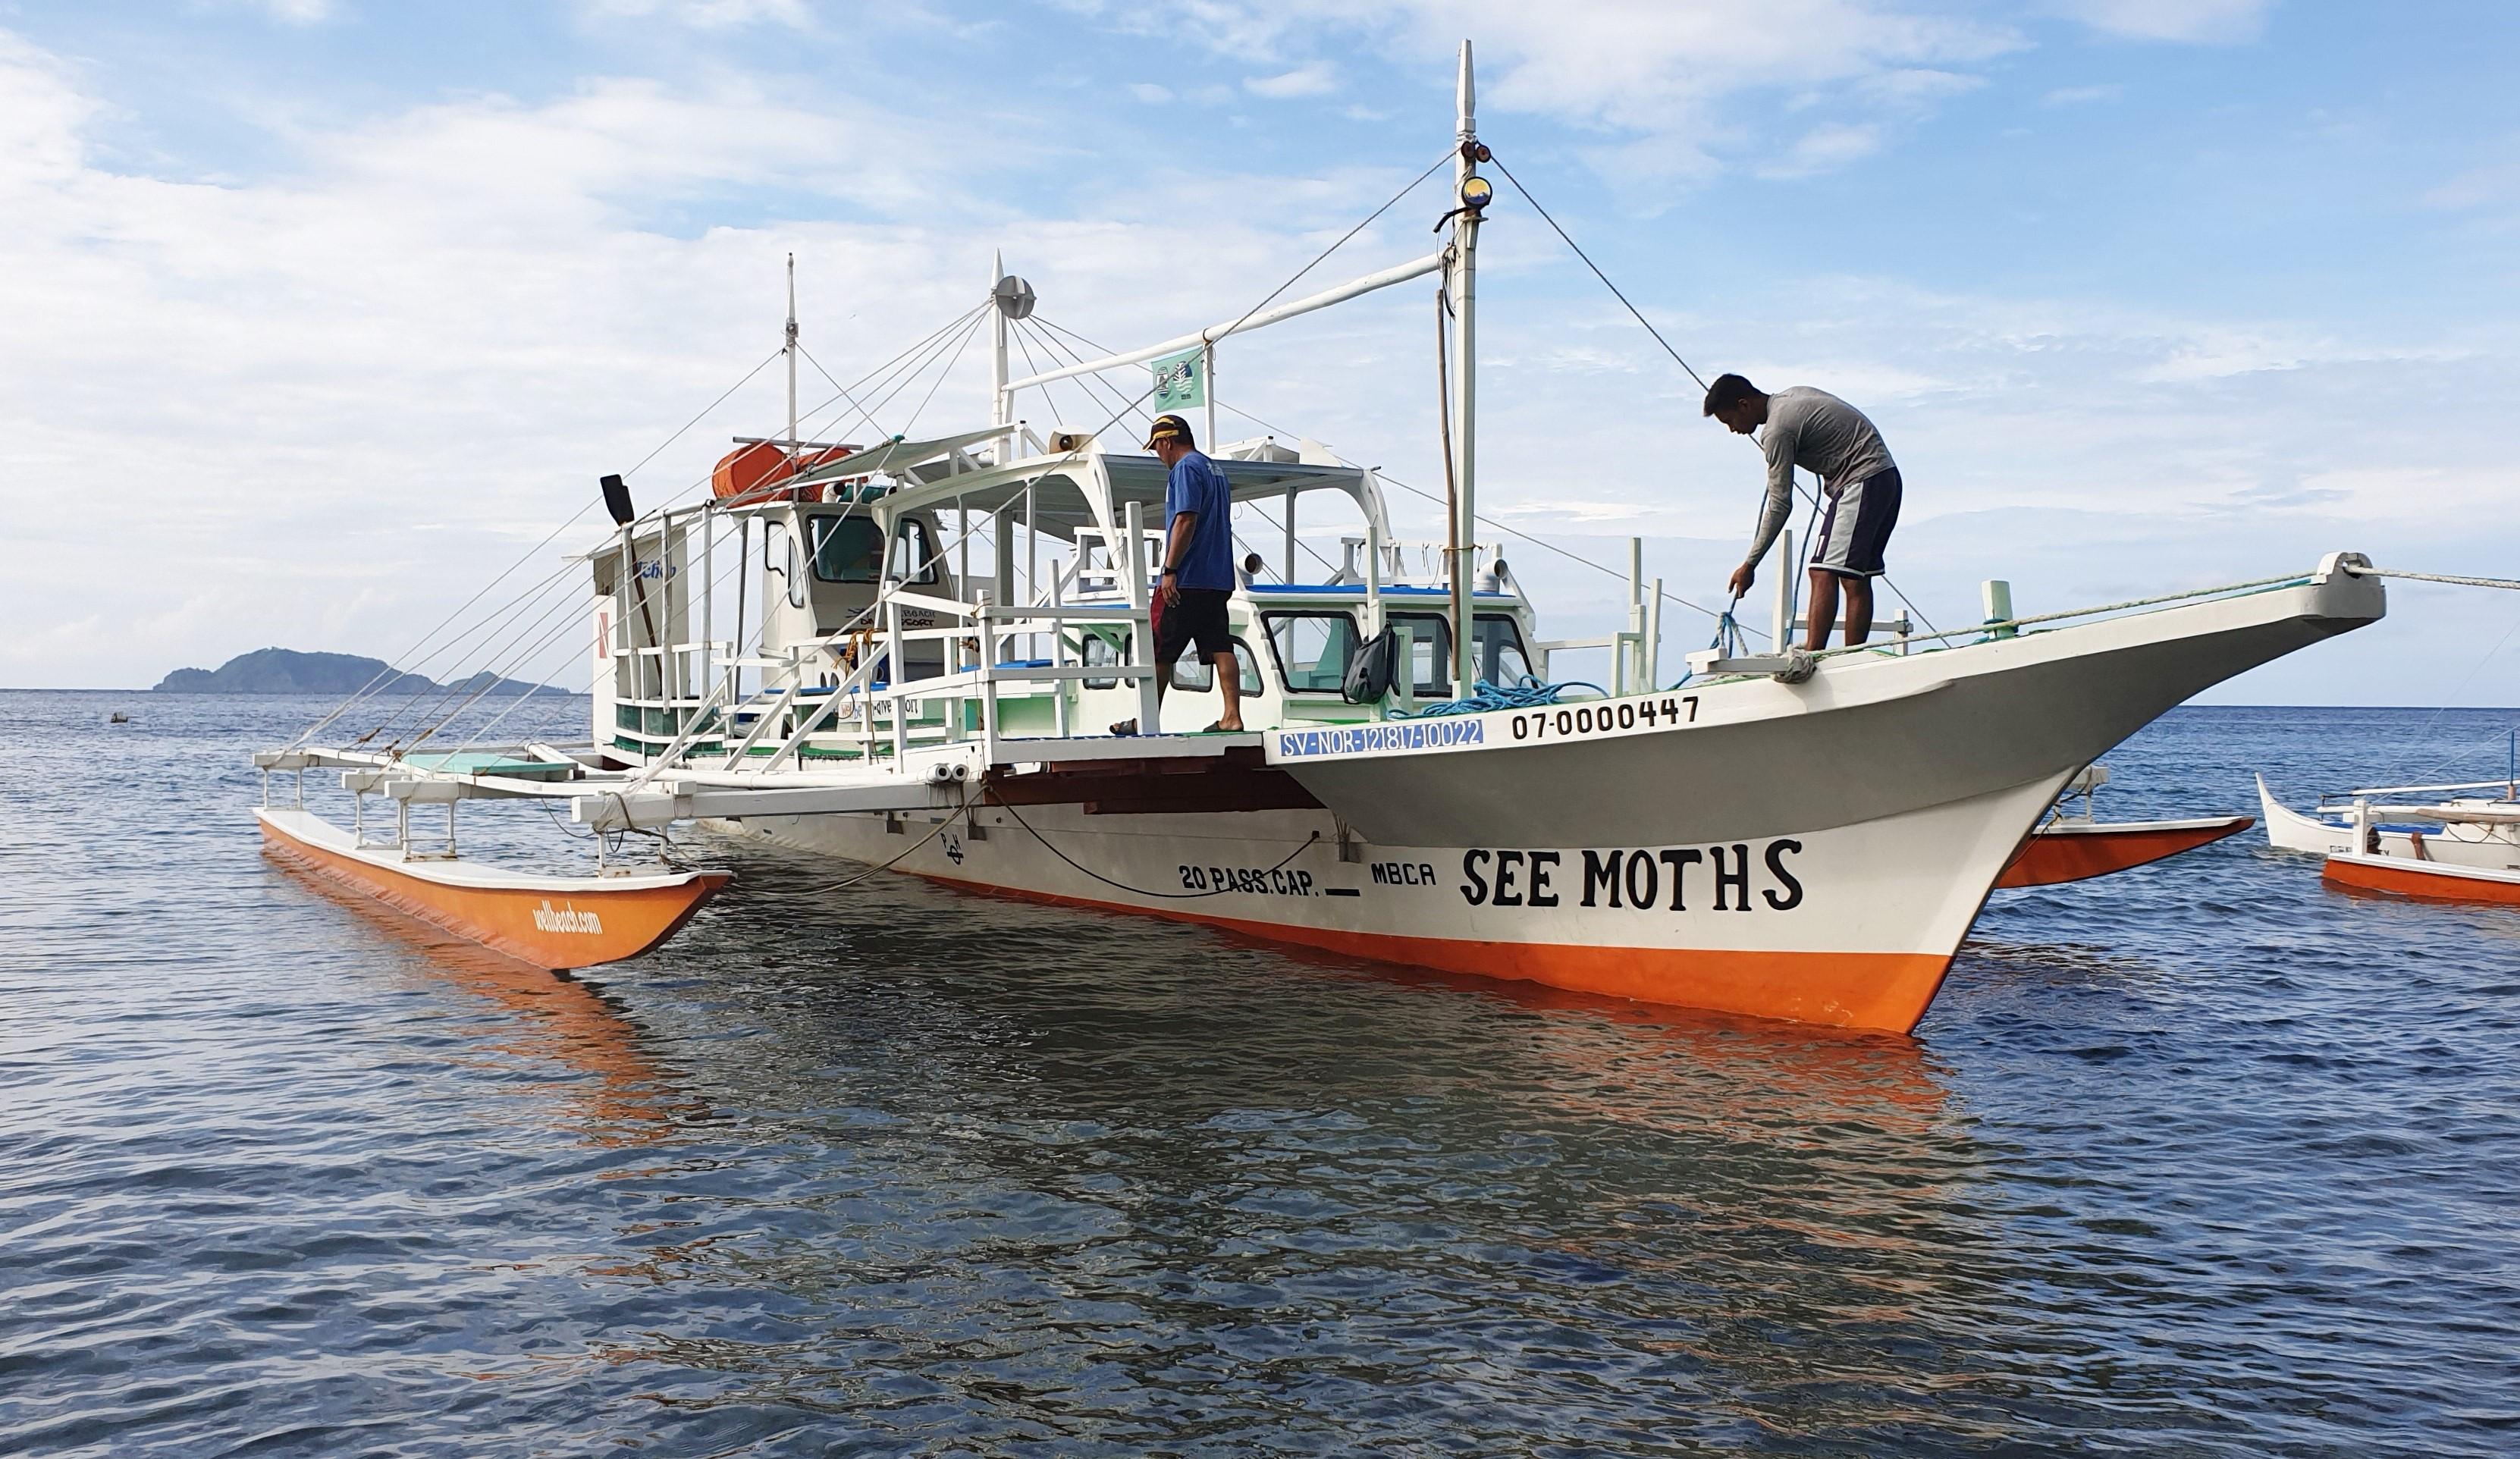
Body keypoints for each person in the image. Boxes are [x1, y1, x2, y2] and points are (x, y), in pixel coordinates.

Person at [1703, 373, 1903, 651]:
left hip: (1862, 481)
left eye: (1730, 421)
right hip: (1886, 478)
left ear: (1744, 404)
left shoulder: (1776, 430)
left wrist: (1750, 564)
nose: (1733, 430)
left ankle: (1812, 654)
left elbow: (1780, 503)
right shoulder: (1791, 395)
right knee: (1854, 576)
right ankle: (1854, 656)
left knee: (1822, 572)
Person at [1112, 413, 1242, 734]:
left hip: (1186, 579)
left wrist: (1170, 570)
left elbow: (1185, 519)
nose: (1158, 456)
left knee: (1159, 648)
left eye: (1157, 448)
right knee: (1220, 645)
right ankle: (1232, 717)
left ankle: (1147, 720)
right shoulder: (1216, 470)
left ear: (1167, 441)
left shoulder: (1184, 469)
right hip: (1217, 579)